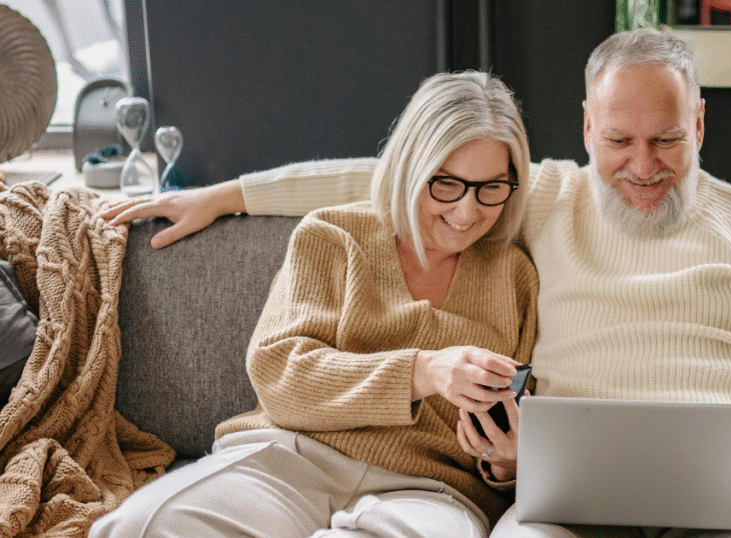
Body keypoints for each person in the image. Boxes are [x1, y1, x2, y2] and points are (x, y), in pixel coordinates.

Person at [103, 29, 731, 537]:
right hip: (569, 501)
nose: (643, 166)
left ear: (700, 125)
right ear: (585, 129)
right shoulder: (539, 196)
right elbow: (394, 177)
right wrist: (228, 194)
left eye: (667, 139)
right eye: (619, 140)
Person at [90, 71, 539, 538]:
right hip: (293, 457)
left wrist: (505, 460)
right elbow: (279, 374)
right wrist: (423, 371)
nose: (466, 213)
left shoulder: (514, 277)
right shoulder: (333, 236)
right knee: (140, 526)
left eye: (491, 188)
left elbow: (510, 452)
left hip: (429, 492)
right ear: (411, 167)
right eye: (446, 185)